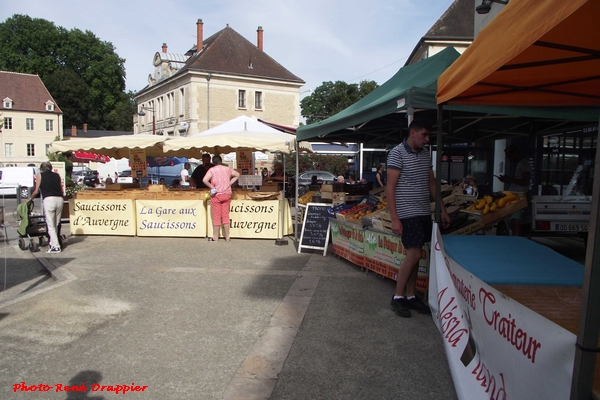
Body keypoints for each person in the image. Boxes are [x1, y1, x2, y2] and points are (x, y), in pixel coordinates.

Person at [386, 118, 451, 318]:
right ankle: (397, 297)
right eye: (424, 134)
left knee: (418, 254)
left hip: (424, 211)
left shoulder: (425, 155)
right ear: (412, 133)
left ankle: (412, 295)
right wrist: (395, 218)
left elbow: (432, 184)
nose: (427, 139)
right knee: (414, 254)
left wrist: (442, 209)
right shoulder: (397, 153)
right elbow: (390, 187)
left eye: (428, 135)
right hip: (407, 212)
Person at [26, 161, 64, 254]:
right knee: (56, 223)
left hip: (49, 199)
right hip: (59, 199)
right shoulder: (57, 175)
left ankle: (56, 247)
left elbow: (36, 190)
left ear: (42, 168)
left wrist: (30, 199)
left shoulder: (40, 175)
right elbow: (61, 189)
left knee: (50, 224)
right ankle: (53, 243)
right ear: (50, 167)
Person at [203, 155, 240, 242]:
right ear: (221, 161)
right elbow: (237, 174)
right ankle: (227, 237)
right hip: (226, 194)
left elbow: (204, 180)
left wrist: (212, 186)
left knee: (216, 216)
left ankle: (215, 237)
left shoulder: (212, 170)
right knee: (225, 215)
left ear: (213, 162)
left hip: (216, 194)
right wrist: (229, 183)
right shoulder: (227, 169)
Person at [496, 144, 531, 236]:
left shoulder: (524, 164)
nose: (508, 158)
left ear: (515, 153)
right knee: (511, 220)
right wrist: (508, 180)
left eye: (509, 155)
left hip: (518, 198)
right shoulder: (520, 164)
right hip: (514, 196)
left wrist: (509, 180)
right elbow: (518, 182)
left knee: (515, 222)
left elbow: (526, 181)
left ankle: (516, 240)